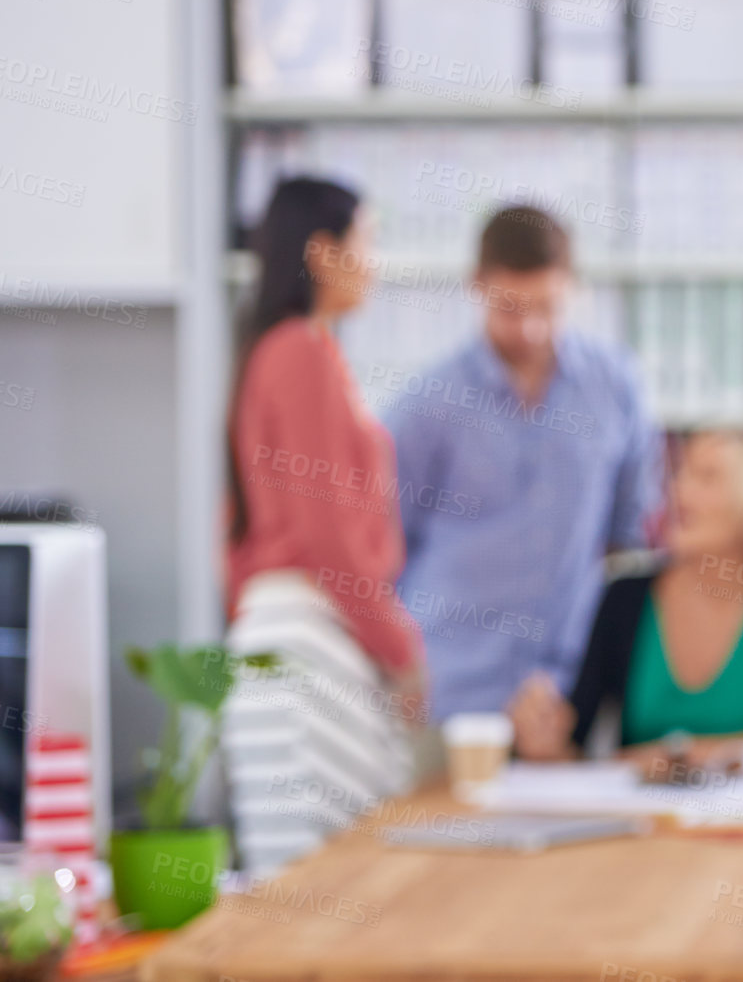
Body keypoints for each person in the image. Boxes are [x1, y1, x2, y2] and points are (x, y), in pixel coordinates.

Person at [221, 177, 426, 872]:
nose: (374, 262)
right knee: (328, 896)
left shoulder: (280, 352)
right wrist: (400, 646)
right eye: (366, 241)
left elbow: (237, 530)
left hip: (296, 637)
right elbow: (327, 536)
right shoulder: (301, 353)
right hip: (308, 642)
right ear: (323, 251)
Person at [386, 205, 661, 721]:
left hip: (567, 693)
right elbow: (382, 549)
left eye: (549, 307)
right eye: (511, 309)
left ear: (574, 287)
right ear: (477, 285)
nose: (531, 330)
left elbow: (630, 539)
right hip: (446, 688)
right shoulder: (428, 404)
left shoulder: (617, 386)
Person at [508, 430, 743, 778]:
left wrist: (687, 755)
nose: (678, 492)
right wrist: (545, 741)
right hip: (644, 825)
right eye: (680, 474)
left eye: (707, 479)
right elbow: (576, 742)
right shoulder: (625, 597)